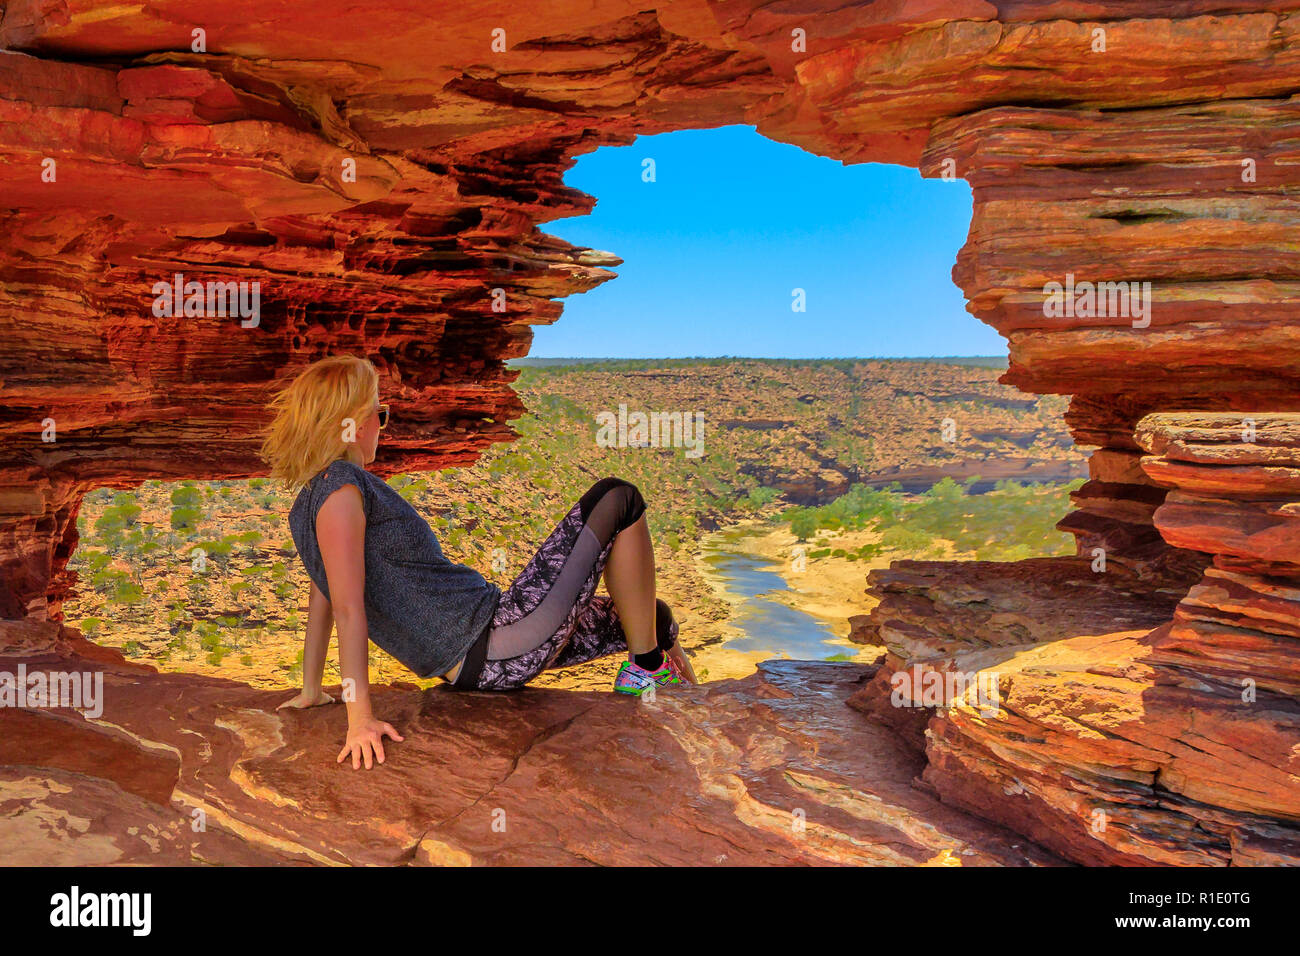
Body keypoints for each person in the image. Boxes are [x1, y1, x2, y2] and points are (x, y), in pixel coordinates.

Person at [258, 355, 699, 770]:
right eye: (380, 412)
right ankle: (646, 673)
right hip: (497, 641)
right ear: (350, 425)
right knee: (618, 497)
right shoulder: (343, 491)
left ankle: (676, 688)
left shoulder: (310, 501)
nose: (383, 424)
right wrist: (359, 720)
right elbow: (349, 609)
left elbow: (325, 596)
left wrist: (312, 691)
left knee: (653, 618)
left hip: (491, 647)